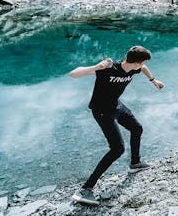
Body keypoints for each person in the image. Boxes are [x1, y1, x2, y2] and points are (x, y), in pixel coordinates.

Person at [69, 45, 165, 206]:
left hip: (116, 107)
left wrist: (153, 80)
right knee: (117, 149)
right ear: (136, 62)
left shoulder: (135, 68)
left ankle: (135, 163)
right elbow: (73, 74)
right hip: (101, 111)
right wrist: (96, 66)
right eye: (141, 63)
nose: (142, 66)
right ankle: (85, 189)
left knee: (137, 128)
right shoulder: (108, 68)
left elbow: (144, 68)